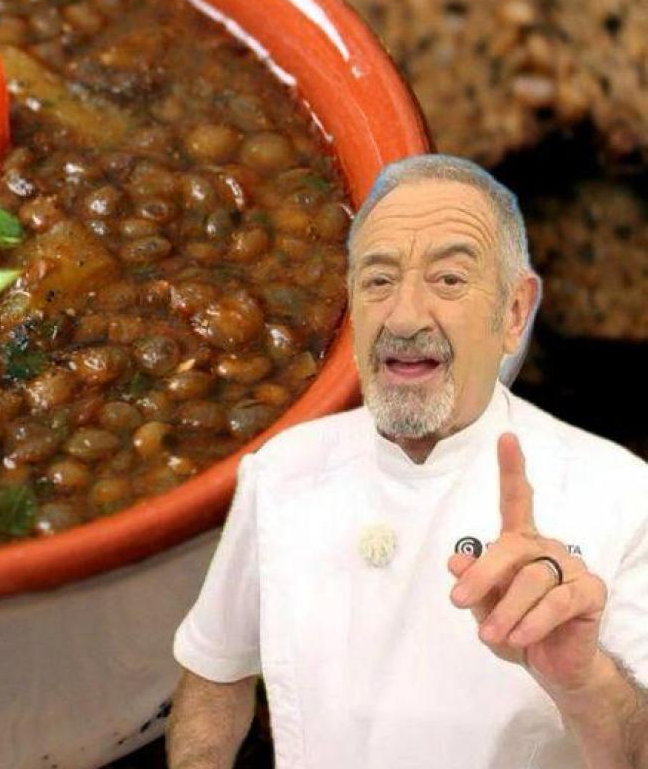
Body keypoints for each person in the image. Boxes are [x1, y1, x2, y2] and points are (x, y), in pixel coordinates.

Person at [166, 155, 648, 768]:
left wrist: (584, 680)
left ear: (515, 312)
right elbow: (215, 669)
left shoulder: (622, 491)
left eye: (448, 280)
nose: (405, 315)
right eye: (378, 280)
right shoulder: (281, 470)